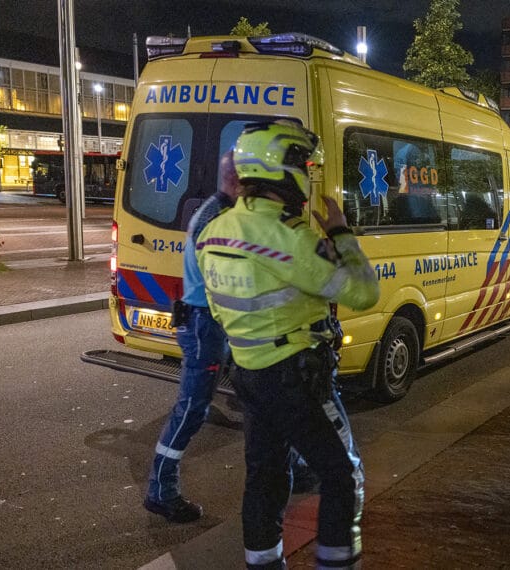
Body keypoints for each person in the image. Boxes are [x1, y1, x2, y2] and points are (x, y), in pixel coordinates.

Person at [196, 120, 379, 570]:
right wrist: (340, 234)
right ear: (282, 169)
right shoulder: (291, 238)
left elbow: (220, 309)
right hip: (297, 375)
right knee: (342, 475)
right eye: (304, 163)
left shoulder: (212, 232)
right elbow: (363, 293)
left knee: (265, 479)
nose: (309, 173)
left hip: (249, 374)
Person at [143, 153, 320, 524]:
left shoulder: (218, 212)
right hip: (205, 324)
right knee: (194, 406)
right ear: (238, 182)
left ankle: (297, 465)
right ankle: (161, 488)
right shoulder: (218, 219)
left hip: (214, 321)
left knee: (264, 395)